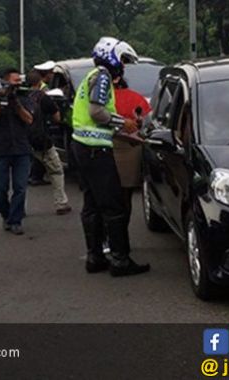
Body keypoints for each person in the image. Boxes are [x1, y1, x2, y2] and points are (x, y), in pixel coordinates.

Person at [72, 37, 150, 277]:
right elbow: (97, 112)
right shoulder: (103, 75)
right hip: (97, 151)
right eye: (123, 61)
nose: (124, 67)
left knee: (92, 205)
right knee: (114, 205)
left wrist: (130, 134)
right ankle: (120, 260)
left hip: (82, 147)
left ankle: (95, 257)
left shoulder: (91, 76)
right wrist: (123, 122)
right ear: (112, 57)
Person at [0, 68, 34, 235]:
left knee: (20, 187)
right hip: (0, 150)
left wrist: (16, 103)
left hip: (21, 149)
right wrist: (1, 101)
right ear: (5, 82)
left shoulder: (24, 98)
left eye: (19, 81)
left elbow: (29, 119)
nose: (18, 84)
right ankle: (6, 214)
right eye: (15, 81)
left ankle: (16, 220)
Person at [26, 69, 72, 215]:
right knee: (56, 171)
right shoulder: (43, 97)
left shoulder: (20, 97)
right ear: (40, 82)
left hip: (23, 142)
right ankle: (61, 203)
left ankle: (19, 208)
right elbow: (57, 117)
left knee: (20, 177)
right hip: (42, 141)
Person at [113, 77, 151, 227]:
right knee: (126, 195)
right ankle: (122, 229)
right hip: (131, 147)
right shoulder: (136, 97)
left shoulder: (104, 100)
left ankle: (110, 234)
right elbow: (147, 121)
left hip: (108, 145)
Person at [28, 60, 56, 185]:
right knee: (42, 152)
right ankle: (36, 176)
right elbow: (51, 108)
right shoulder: (43, 89)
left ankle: (34, 175)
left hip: (31, 125)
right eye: (51, 73)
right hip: (41, 123)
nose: (52, 75)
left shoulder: (29, 91)